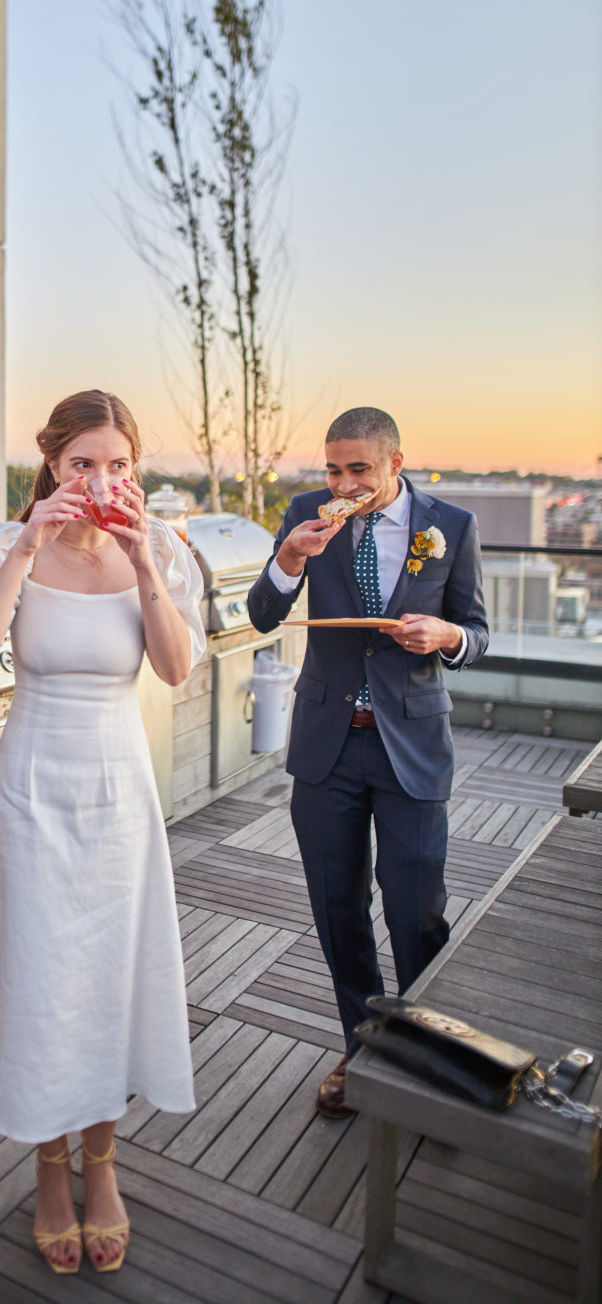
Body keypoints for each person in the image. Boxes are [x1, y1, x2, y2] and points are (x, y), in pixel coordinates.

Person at [0, 389, 206, 1277]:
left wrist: (143, 561)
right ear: (51, 464)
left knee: (107, 980)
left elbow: (174, 667)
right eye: (82, 463)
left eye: (118, 465)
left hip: (120, 793)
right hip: (31, 792)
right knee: (43, 978)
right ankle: (49, 1168)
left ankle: (103, 1163)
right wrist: (27, 547)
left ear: (135, 471)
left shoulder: (158, 549)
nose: (100, 480)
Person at [247, 406, 488, 1117]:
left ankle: (427, 1056)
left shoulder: (452, 526)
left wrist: (445, 635)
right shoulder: (306, 514)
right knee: (337, 909)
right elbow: (262, 615)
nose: (344, 484)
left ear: (394, 463)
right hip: (328, 744)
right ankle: (363, 1051)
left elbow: (477, 633)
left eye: (359, 469)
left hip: (410, 745)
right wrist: (290, 559)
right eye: (333, 470)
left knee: (417, 912)